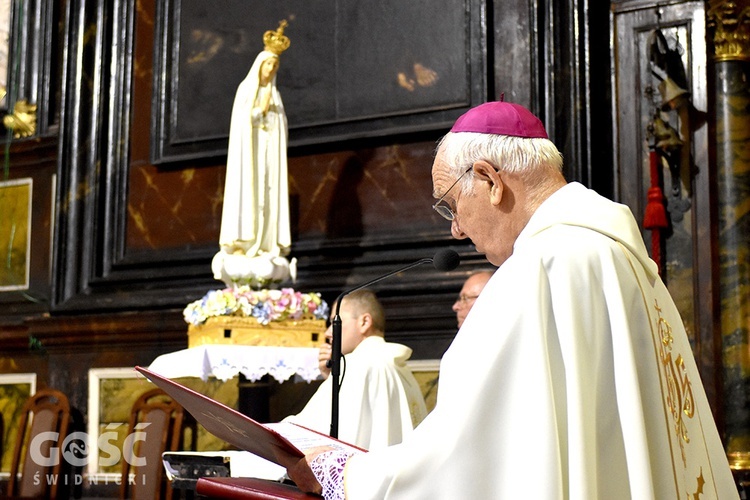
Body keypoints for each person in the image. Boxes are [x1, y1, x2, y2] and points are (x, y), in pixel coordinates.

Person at [286, 101, 739, 499]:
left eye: (450, 204)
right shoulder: (623, 258)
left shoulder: (537, 270)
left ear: (488, 178)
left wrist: (343, 474)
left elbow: (465, 455)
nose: (455, 230)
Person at [283, 289, 428, 451]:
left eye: (335, 322)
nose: (328, 332)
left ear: (364, 322)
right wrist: (331, 378)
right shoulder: (400, 367)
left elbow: (311, 431)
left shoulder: (356, 364)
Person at [212, 21, 293, 287]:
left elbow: (279, 129)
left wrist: (270, 116)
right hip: (250, 160)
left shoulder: (276, 97)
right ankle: (244, 244)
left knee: (267, 201)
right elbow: (242, 125)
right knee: (250, 199)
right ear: (259, 66)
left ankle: (266, 245)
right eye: (268, 65)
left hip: (268, 160)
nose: (271, 70)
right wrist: (258, 113)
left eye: (275, 66)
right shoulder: (246, 92)